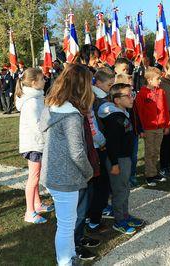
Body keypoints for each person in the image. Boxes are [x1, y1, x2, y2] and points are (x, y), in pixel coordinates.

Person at [40, 64, 94, 266]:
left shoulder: (51, 106)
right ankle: (65, 262)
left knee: (67, 223)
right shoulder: (71, 115)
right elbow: (77, 152)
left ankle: (70, 257)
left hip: (53, 173)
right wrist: (88, 172)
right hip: (65, 176)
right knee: (65, 225)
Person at [98, 83, 144, 235]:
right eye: (128, 95)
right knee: (119, 190)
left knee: (125, 188)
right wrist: (115, 164)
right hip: (118, 160)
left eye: (132, 94)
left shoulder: (123, 113)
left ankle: (125, 215)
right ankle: (119, 221)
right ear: (117, 100)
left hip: (125, 158)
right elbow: (111, 143)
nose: (132, 98)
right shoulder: (114, 118)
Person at [15, 67, 54, 224]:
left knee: (35, 177)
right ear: (33, 82)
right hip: (34, 144)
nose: (45, 81)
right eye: (42, 79)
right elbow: (37, 126)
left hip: (35, 143)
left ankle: (37, 204)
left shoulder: (36, 98)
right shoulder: (31, 102)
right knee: (34, 177)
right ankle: (29, 212)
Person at [85, 69, 114, 234]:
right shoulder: (92, 99)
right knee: (99, 185)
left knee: (98, 184)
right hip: (97, 147)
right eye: (109, 85)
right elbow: (92, 126)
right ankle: (93, 219)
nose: (110, 88)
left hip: (96, 145)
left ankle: (96, 212)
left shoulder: (94, 96)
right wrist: (102, 141)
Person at [135, 67, 170, 186]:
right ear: (149, 80)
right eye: (158, 79)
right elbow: (139, 112)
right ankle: (149, 175)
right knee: (149, 151)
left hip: (160, 127)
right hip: (148, 128)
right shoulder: (142, 94)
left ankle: (154, 172)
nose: (160, 81)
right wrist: (140, 129)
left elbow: (165, 109)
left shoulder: (161, 92)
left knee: (156, 151)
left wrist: (167, 124)